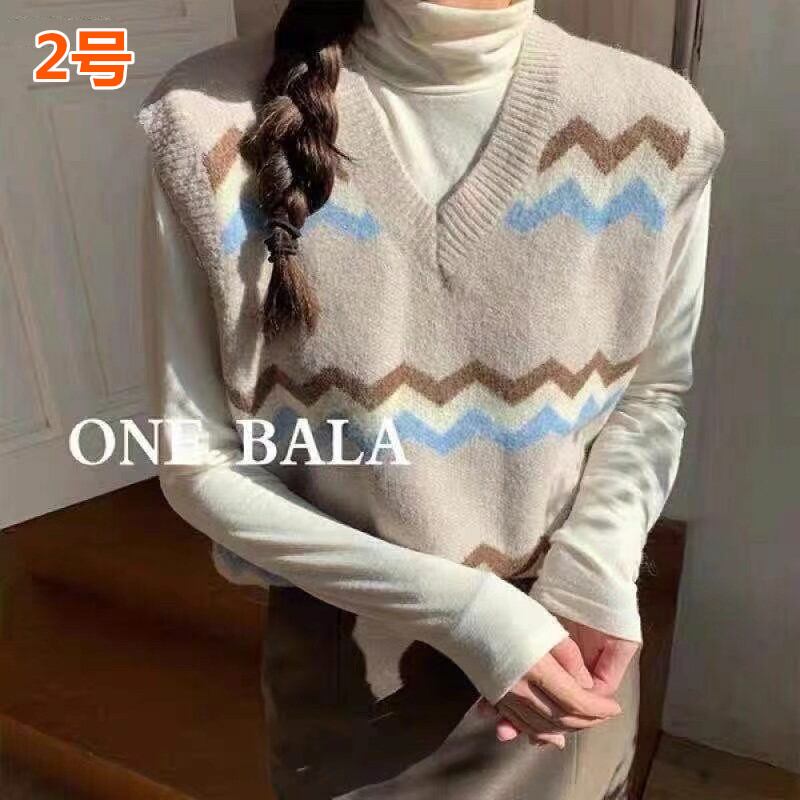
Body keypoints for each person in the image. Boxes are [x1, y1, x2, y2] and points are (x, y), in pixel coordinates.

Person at [138, 0, 724, 796]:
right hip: (353, 673)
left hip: (571, 646)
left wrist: (597, 567)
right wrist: (466, 613)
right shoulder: (204, 119)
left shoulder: (659, 125)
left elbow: (652, 393)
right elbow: (195, 459)